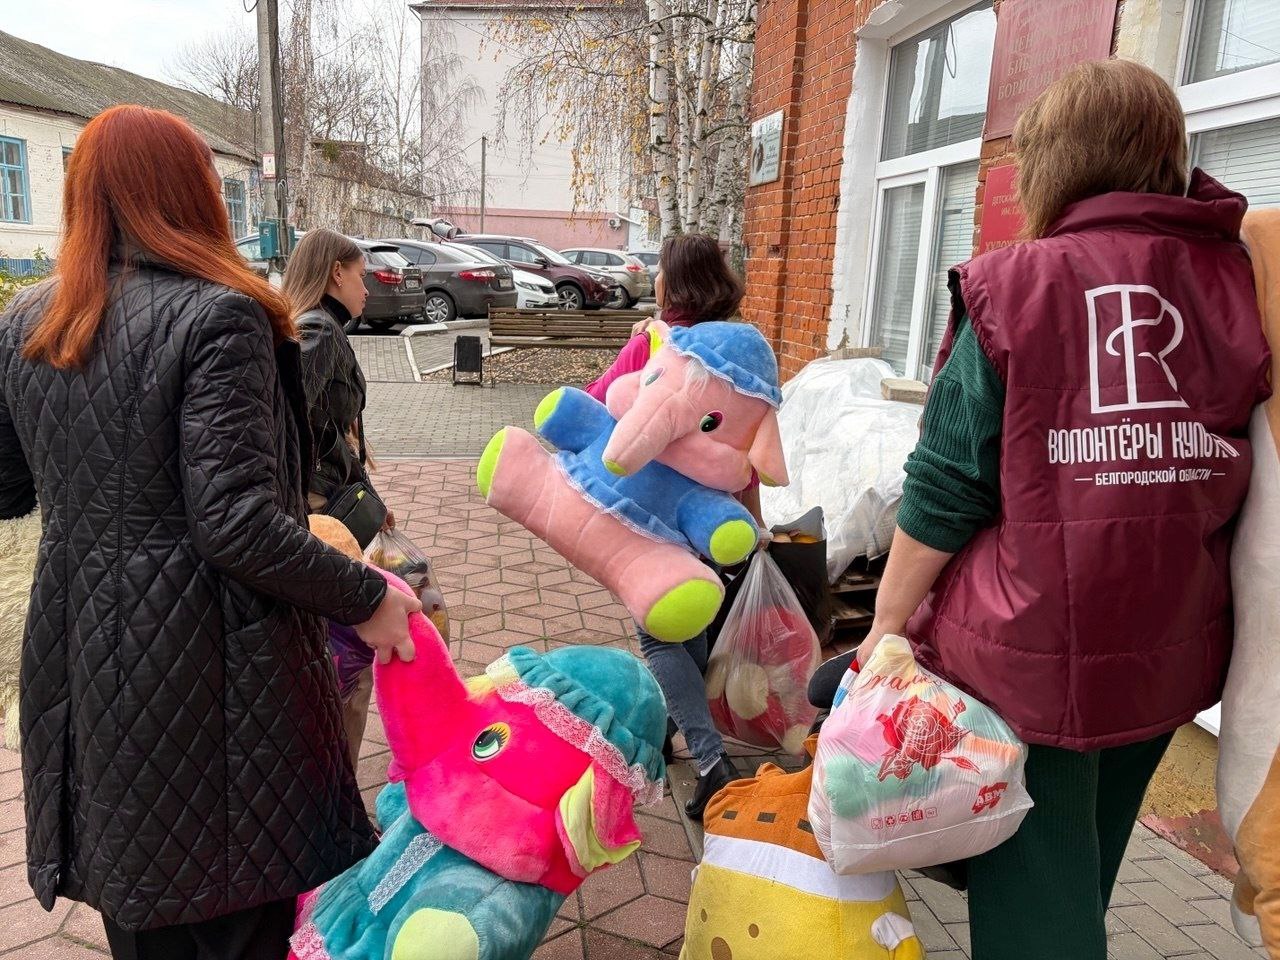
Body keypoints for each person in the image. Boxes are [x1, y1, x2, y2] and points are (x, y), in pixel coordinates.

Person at [855, 61, 1269, 959]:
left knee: (1033, 913)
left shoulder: (1018, 285)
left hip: (1029, 669)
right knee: (1083, 878)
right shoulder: (1245, 285)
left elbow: (946, 483)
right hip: (1170, 653)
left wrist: (885, 624)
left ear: (1056, 166)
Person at [0, 105, 420, 960]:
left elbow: (10, 489)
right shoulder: (218, 316)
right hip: (208, 656)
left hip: (80, 647)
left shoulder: (30, 319)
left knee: (143, 898)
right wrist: (367, 596)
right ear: (195, 193)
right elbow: (233, 519)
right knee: (236, 904)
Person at [586, 234, 762, 819]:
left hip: (657, 520)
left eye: (661, 270)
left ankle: (712, 762)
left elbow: (595, 404)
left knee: (659, 634)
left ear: (674, 282)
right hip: (722, 520)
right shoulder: (743, 348)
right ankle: (667, 726)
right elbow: (757, 438)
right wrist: (754, 521)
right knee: (693, 626)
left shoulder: (656, 347)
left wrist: (634, 349)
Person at [283, 229, 393, 766]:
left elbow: (326, 431)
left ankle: (330, 786)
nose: (367, 287)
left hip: (324, 505)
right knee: (346, 661)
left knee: (337, 657)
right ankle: (336, 792)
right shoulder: (318, 332)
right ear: (335, 273)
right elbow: (282, 423)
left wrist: (366, 489)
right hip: (320, 516)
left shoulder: (315, 326)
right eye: (361, 274)